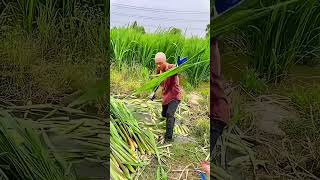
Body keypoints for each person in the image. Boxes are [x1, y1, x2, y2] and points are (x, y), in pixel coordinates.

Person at [150, 52, 182, 142]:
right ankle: (171, 120)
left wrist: (178, 66)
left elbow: (177, 70)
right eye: (157, 63)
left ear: (165, 61)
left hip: (175, 96)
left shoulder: (172, 67)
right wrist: (154, 93)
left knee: (169, 114)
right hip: (166, 96)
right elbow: (158, 83)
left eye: (160, 63)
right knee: (164, 114)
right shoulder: (159, 70)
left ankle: (169, 137)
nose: (159, 65)